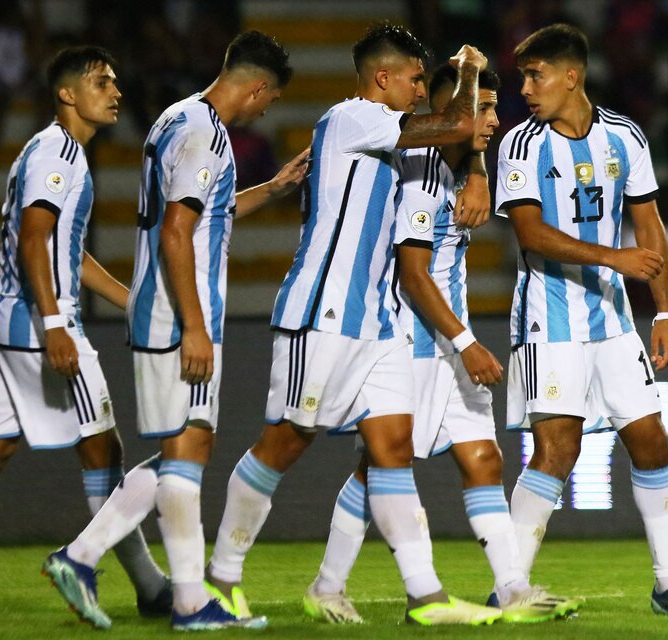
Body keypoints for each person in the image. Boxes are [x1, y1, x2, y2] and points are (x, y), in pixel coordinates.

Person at [202, 23, 502, 626]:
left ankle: (426, 596)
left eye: (427, 79)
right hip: (324, 312)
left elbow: (460, 143)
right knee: (286, 442)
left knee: (391, 450)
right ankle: (219, 580)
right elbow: (459, 126)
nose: (422, 90)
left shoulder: (393, 136)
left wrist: (476, 170)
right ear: (381, 78)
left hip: (376, 322)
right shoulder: (351, 117)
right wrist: (467, 72)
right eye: (416, 80)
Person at [42, 31, 309, 631]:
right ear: (259, 86)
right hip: (174, 316)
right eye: (269, 100)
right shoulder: (207, 136)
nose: (266, 111)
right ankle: (180, 599)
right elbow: (175, 232)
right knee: (187, 452)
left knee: (182, 451)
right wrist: (194, 325)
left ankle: (91, 561)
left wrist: (271, 189)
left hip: (160, 311)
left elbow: (203, 210)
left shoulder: (176, 118)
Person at [300, 63, 582, 625]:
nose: (493, 120)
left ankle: (511, 588)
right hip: (414, 337)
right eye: (480, 109)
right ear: (449, 114)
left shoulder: (464, 165)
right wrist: (467, 343)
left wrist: (476, 168)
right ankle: (329, 586)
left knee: (483, 459)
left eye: (494, 109)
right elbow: (413, 273)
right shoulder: (422, 177)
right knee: (378, 466)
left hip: (449, 340)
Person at [495, 24, 668, 616]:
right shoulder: (521, 144)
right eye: (523, 76)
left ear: (572, 76)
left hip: (615, 320)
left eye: (535, 74)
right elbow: (529, 232)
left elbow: (650, 225)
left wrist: (665, 308)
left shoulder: (625, 137)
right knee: (556, 448)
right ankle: (509, 586)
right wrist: (612, 258)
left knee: (651, 439)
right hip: (550, 317)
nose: (525, 87)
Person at [0, 46, 171, 623]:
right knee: (103, 452)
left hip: (5, 320)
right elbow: (34, 239)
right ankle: (121, 576)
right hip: (37, 325)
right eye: (101, 81)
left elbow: (67, 251)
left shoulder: (57, 152)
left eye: (115, 81)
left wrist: (132, 301)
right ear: (68, 94)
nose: (115, 91)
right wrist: (56, 324)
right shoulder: (58, 151)